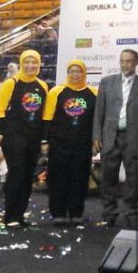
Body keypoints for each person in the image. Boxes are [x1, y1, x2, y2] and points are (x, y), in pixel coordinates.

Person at [0, 49, 48, 227]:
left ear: (39, 64)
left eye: (34, 62)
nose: (31, 66)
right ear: (22, 63)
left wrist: (44, 139)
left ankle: (20, 215)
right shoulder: (11, 83)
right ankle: (10, 216)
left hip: (33, 137)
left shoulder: (43, 85)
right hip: (14, 137)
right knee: (17, 173)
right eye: (27, 62)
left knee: (27, 176)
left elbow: (44, 114)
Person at [93, 49, 138, 228]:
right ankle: (109, 213)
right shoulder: (106, 82)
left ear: (137, 62)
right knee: (108, 178)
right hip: (110, 136)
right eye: (123, 61)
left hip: (134, 137)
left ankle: (132, 213)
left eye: (129, 61)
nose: (125, 65)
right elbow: (99, 111)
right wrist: (96, 136)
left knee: (134, 178)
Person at [41, 59, 97, 225]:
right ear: (67, 73)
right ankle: (58, 212)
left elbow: (97, 119)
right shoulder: (56, 92)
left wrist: (96, 140)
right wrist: (46, 141)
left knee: (80, 179)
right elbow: (47, 118)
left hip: (83, 145)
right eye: (72, 71)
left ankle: (76, 212)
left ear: (84, 73)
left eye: (78, 71)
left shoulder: (94, 93)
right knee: (58, 179)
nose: (75, 74)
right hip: (59, 144)